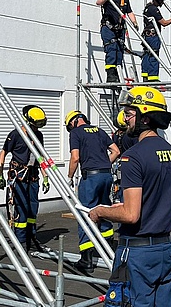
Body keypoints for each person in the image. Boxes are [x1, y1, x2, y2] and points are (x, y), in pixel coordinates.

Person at [89, 86, 171, 307]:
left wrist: (101, 211)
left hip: (138, 252)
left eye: (130, 114)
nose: (126, 119)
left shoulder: (133, 157)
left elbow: (130, 215)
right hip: (165, 250)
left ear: (145, 118)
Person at [65, 110, 120, 273]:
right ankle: (109, 250)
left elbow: (75, 157)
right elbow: (116, 151)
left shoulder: (76, 133)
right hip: (106, 176)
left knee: (86, 213)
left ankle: (86, 259)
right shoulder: (99, 130)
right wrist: (104, 164)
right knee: (104, 210)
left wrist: (69, 177)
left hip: (91, 178)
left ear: (73, 122)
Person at [0, 105, 50, 252]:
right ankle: (20, 241)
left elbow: (40, 157)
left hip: (33, 175)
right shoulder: (15, 134)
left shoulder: (38, 136)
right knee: (21, 208)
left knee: (33, 207)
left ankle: (30, 237)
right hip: (18, 176)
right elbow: (3, 153)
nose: (36, 129)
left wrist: (46, 177)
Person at [96, 0, 137, 83]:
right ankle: (111, 76)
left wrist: (134, 22)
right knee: (111, 49)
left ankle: (118, 75)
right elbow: (98, 2)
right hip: (109, 28)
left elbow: (129, 12)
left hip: (120, 29)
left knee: (119, 51)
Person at [140, 0, 171, 82]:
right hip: (153, 36)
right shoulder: (154, 9)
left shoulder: (147, 7)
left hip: (146, 36)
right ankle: (153, 78)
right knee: (154, 55)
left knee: (147, 54)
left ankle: (145, 76)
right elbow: (164, 23)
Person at [111, 109, 137, 203]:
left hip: (120, 164)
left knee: (121, 189)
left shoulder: (116, 135)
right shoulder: (132, 136)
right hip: (131, 165)